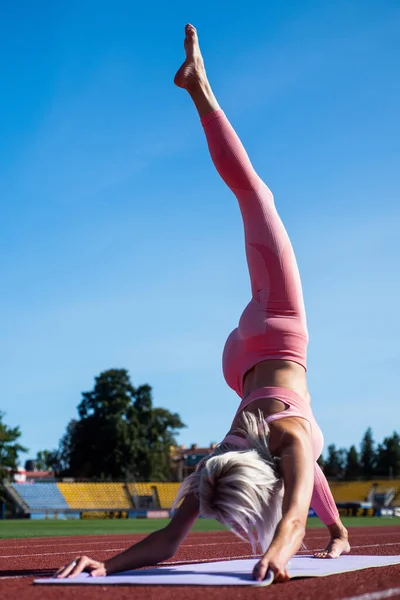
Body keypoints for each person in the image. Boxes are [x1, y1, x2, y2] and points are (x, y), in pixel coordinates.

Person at [55, 24, 350, 583]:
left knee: (255, 197)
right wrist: (310, 540)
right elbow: (294, 501)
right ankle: (198, 87)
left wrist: (281, 553)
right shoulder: (250, 446)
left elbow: (278, 518)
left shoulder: (232, 457)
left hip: (270, 344)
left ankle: (199, 88)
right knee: (255, 198)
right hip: (241, 363)